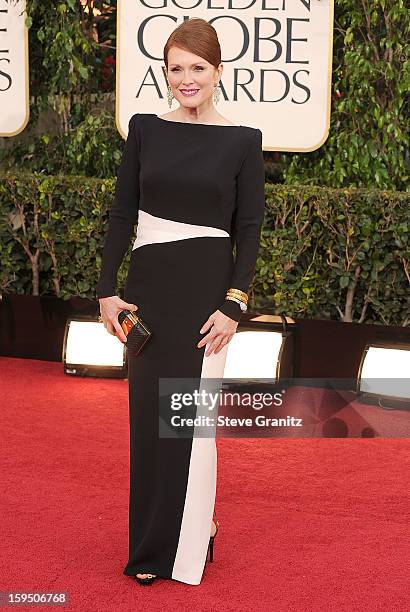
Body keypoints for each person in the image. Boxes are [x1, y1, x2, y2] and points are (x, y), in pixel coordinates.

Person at [96, 17, 265, 586]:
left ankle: (192, 539)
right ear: (164, 73)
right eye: (176, 69)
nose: (186, 79)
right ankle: (148, 552)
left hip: (205, 302)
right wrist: (107, 290)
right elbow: (123, 214)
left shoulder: (242, 140)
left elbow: (249, 230)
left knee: (189, 426)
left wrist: (234, 306)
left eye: (197, 68)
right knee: (150, 423)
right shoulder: (145, 129)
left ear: (218, 72)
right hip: (147, 296)